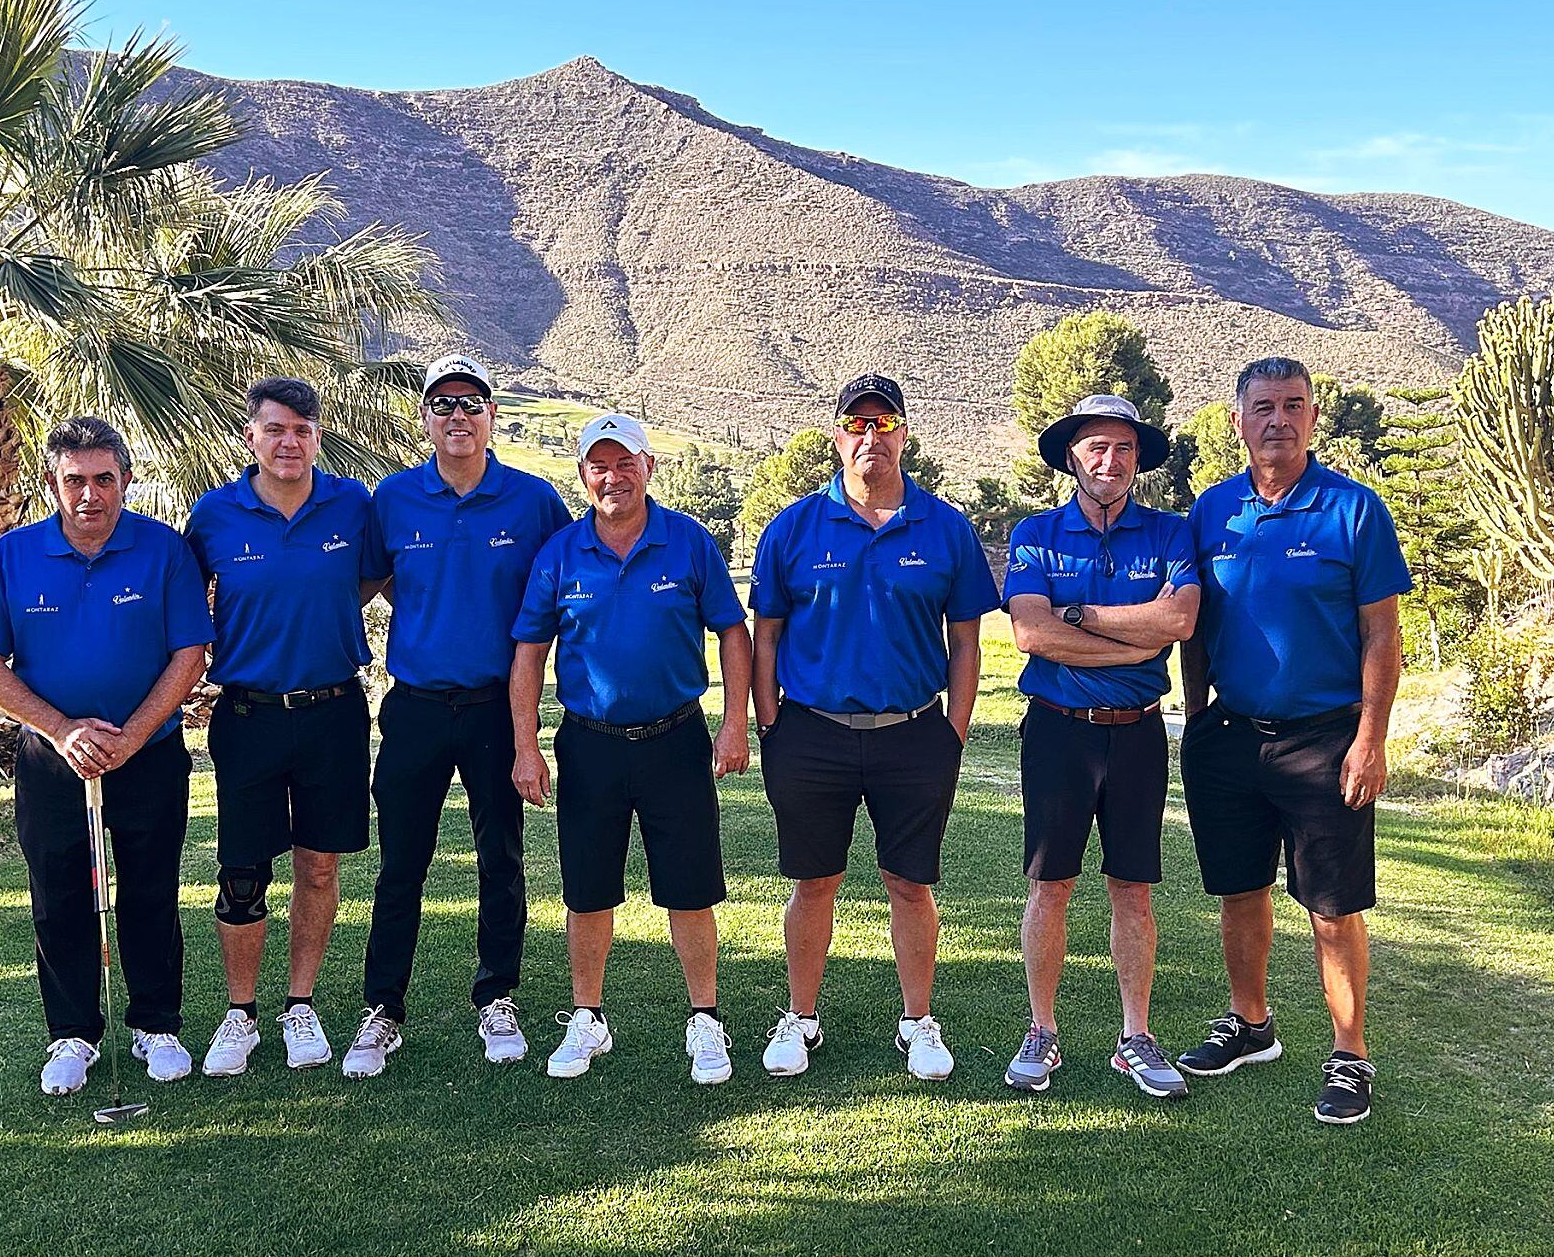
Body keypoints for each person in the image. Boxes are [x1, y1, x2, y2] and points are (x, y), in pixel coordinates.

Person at [1178, 357, 1410, 1126]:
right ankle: (1252, 1025)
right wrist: (1196, 714)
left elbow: (1382, 633)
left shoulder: (1353, 510)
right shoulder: (1211, 512)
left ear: (1314, 417)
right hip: (1232, 738)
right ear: (1237, 420)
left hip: (1326, 738)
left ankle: (1350, 1054)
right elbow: (1195, 627)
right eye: (1264, 407)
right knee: (1239, 893)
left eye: (1293, 405)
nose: (1278, 419)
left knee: (1332, 907)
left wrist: (1369, 739)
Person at [751, 374, 997, 1081]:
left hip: (914, 734)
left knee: (909, 883)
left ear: (903, 435)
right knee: (814, 880)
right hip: (811, 731)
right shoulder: (793, 526)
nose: (871, 438)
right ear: (837, 435)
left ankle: (918, 1021)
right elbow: (764, 636)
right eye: (857, 425)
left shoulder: (944, 526)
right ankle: (800, 1018)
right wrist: (771, 724)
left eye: (884, 425)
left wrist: (952, 731)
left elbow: (967, 640)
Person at [0, 417, 212, 1095]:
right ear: (53, 484)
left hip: (149, 754)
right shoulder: (13, 555)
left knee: (152, 890)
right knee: (60, 895)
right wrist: (62, 729)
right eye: (75, 480)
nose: (91, 494)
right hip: (51, 760)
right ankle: (72, 1035)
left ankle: (156, 1025)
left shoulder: (162, 551)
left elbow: (189, 654)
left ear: (126, 480)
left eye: (105, 479)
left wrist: (129, 737)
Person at [343, 355, 572, 1077]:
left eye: (471, 403)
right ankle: (383, 1009)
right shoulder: (395, 497)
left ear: (492, 416)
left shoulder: (532, 501)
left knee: (500, 860)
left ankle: (496, 997)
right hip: (412, 706)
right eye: (442, 404)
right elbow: (374, 580)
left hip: (495, 709)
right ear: (425, 419)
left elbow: (570, 583)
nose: (457, 416)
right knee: (400, 865)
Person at [510, 412, 751, 1084]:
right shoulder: (560, 552)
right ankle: (587, 1018)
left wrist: (736, 724)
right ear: (584, 475)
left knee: (690, 890)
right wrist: (525, 746)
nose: (612, 477)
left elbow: (734, 633)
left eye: (625, 463)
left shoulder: (689, 542)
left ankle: (705, 1019)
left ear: (649, 467)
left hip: (676, 740)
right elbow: (530, 653)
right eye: (599, 466)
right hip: (590, 745)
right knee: (587, 894)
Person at [185, 378, 387, 1076]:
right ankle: (239, 1014)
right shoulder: (214, 515)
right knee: (242, 872)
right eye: (275, 429)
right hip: (247, 714)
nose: (289, 441)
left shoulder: (352, 505)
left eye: (302, 429)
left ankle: (299, 1004)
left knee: (319, 865)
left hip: (333, 711)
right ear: (252, 437)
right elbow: (181, 609)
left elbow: (368, 580)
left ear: (317, 436)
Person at [1000, 395, 1198, 1099]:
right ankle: (1042, 1031)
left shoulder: (1171, 534)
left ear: (1137, 458)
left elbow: (1177, 618)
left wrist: (1077, 617)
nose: (1108, 460)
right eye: (1094, 448)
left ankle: (1135, 1037)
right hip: (1057, 730)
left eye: (1121, 448)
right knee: (1050, 887)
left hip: (1138, 734)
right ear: (1071, 460)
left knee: (1134, 891)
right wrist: (1132, 641)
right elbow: (1030, 633)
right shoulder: (1035, 532)